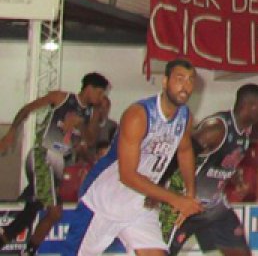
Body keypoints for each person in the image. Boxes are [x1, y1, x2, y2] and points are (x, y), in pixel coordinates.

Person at [64, 59, 202, 255]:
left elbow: (185, 150)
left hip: (139, 206)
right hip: (105, 201)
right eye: (180, 79)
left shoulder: (185, 117)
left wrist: (190, 193)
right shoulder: (139, 114)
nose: (185, 86)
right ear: (165, 81)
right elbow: (127, 175)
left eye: (190, 80)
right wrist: (176, 200)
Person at [0, 73, 109, 255]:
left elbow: (90, 140)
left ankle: (8, 238)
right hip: (43, 156)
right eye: (99, 93)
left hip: (58, 164)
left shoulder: (89, 113)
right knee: (54, 212)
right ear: (89, 88)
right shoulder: (61, 98)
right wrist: (11, 133)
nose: (100, 98)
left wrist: (81, 124)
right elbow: (27, 109)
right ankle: (30, 251)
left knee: (33, 208)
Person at [167, 84, 258, 256]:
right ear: (249, 106)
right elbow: (179, 156)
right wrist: (162, 189)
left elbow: (217, 161)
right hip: (187, 204)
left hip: (215, 207)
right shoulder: (217, 128)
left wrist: (234, 175)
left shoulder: (246, 131)